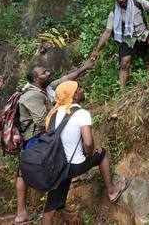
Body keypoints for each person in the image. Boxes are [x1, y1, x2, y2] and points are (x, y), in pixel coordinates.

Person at [14, 60, 94, 224]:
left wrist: (84, 67)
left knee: (60, 168)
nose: (48, 73)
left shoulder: (47, 88)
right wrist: (65, 107)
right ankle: (21, 212)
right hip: (36, 138)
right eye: (44, 73)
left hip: (51, 135)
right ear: (36, 79)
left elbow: (65, 80)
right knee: (24, 170)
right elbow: (42, 120)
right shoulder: (31, 95)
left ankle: (58, 210)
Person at [41, 81, 128, 225]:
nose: (82, 90)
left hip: (56, 167)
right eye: (79, 88)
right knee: (102, 154)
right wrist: (89, 153)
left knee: (49, 210)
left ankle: (59, 214)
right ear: (74, 95)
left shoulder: (53, 114)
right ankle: (111, 191)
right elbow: (88, 143)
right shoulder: (81, 113)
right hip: (75, 165)